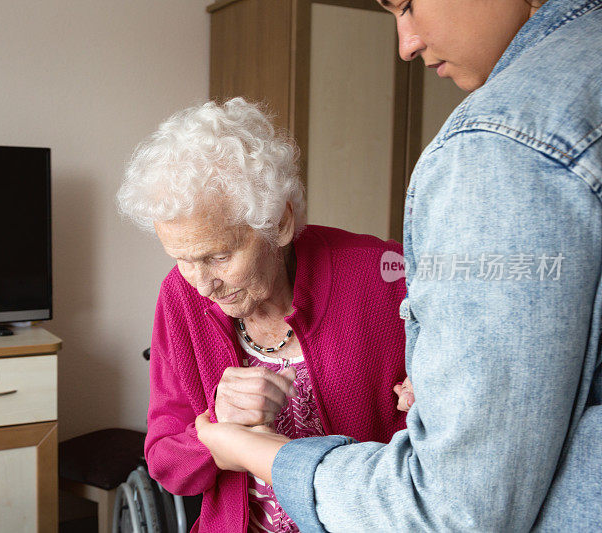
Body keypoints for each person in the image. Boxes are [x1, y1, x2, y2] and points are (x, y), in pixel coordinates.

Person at [196, 0, 602, 531]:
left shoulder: (497, 148)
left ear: (279, 223)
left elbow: (448, 507)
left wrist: (260, 453)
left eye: (408, 4)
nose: (405, 44)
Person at [117, 97, 409, 532]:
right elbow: (167, 466)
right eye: (182, 257)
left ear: (280, 223)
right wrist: (218, 431)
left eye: (218, 256)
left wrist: (428, 407)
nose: (201, 283)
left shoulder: (387, 276)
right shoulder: (179, 296)